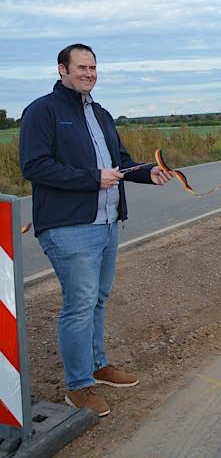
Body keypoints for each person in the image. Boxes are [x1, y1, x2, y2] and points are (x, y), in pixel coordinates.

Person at [19, 43, 173, 417]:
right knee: (80, 303)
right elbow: (34, 166)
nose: (89, 73)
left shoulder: (100, 113)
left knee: (97, 300)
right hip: (68, 226)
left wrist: (147, 174)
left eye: (93, 67)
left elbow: (118, 163)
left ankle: (96, 365)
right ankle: (78, 386)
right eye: (81, 67)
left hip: (107, 223)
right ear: (62, 69)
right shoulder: (42, 111)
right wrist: (92, 179)